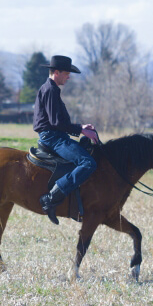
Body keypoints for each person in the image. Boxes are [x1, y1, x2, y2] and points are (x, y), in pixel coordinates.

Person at [33, 55, 99, 225]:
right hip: (53, 138)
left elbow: (59, 122)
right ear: (57, 72)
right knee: (88, 163)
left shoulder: (51, 89)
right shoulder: (51, 90)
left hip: (56, 136)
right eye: (67, 73)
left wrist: (81, 127)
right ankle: (51, 197)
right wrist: (82, 130)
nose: (69, 76)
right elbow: (56, 123)